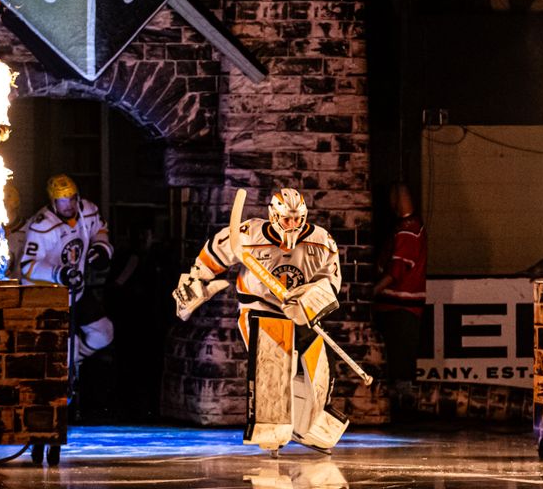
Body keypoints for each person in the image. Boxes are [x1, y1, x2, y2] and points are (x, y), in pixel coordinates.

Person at [172, 188, 347, 454]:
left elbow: (331, 282)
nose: (292, 225)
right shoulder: (247, 234)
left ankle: (310, 425)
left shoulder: (322, 241)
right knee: (274, 365)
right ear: (273, 215)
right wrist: (197, 283)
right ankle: (270, 427)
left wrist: (311, 299)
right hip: (259, 309)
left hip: (300, 311)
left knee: (320, 367)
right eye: (287, 219)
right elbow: (212, 256)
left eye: (297, 219)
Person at [12, 174, 114, 364]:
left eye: (72, 199)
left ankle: (74, 365)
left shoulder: (88, 211)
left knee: (104, 333)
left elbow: (100, 229)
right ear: (53, 201)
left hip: (77, 291)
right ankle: (66, 375)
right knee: (67, 348)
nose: (69, 206)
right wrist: (59, 273)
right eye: (62, 201)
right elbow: (27, 267)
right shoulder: (42, 225)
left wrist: (101, 248)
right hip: (47, 297)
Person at [371, 183, 427, 420]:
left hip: (400, 307)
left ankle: (401, 411)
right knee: (401, 360)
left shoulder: (407, 231)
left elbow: (397, 270)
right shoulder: (413, 228)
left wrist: (373, 291)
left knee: (399, 362)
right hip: (403, 307)